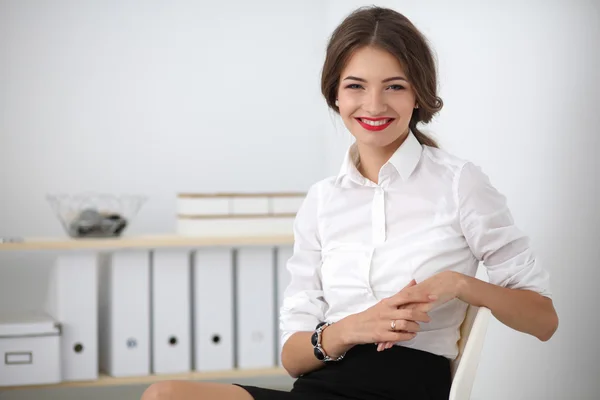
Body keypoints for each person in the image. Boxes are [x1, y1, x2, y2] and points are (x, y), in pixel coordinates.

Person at [141, 5, 558, 400]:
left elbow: (543, 320)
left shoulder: (458, 183)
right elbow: (292, 358)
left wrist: (460, 283)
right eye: (355, 86)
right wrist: (354, 327)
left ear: (418, 96)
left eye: (394, 86)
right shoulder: (322, 200)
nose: (374, 105)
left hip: (405, 386)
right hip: (322, 385)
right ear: (335, 96)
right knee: (165, 394)